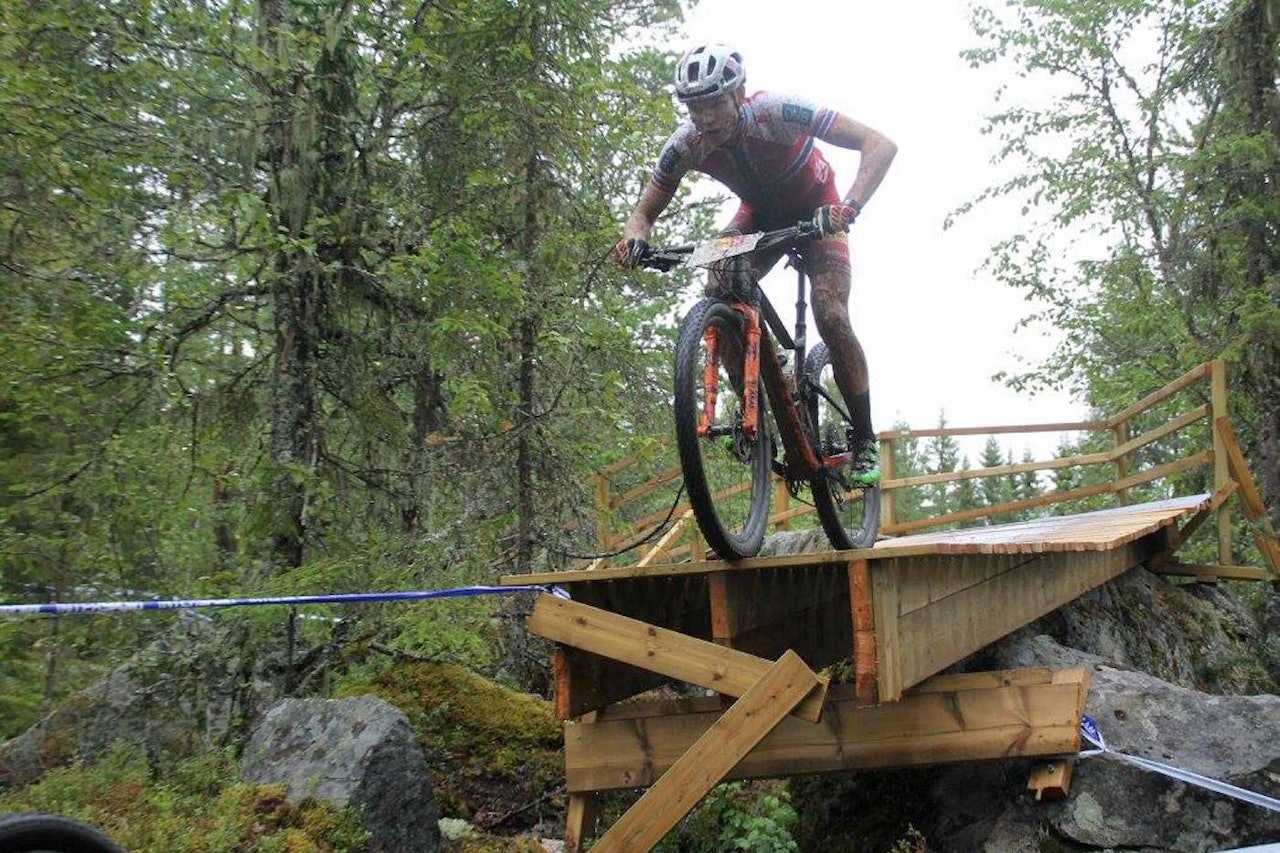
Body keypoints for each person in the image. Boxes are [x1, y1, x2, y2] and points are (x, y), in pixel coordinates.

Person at [615, 42, 897, 486]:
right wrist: (636, 238)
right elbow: (643, 213)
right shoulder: (687, 143)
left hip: (819, 210)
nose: (704, 117)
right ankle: (754, 402)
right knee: (718, 279)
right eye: (694, 108)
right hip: (759, 218)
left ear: (739, 92)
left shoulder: (778, 111)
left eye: (713, 104)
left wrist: (849, 207)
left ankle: (863, 438)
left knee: (831, 314)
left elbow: (879, 145)